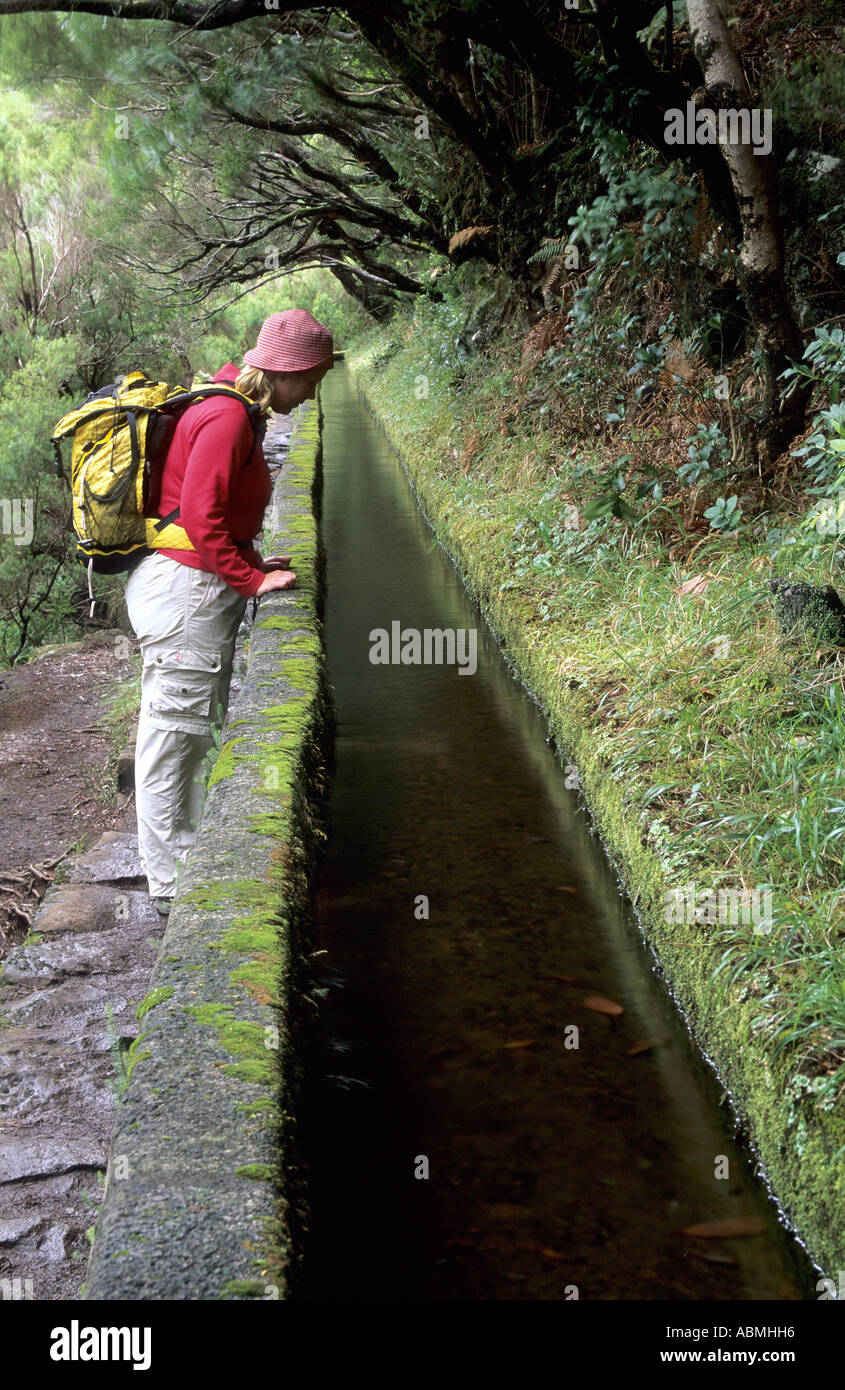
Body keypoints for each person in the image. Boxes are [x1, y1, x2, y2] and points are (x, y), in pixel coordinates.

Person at [125, 308, 334, 914]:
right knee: (173, 739)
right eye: (315, 377)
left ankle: (184, 861)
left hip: (189, 588)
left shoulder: (236, 410)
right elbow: (198, 514)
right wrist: (248, 579)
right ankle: (170, 889)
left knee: (186, 731)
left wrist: (255, 561)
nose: (317, 388)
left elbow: (219, 512)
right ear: (290, 372)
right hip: (183, 595)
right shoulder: (225, 418)